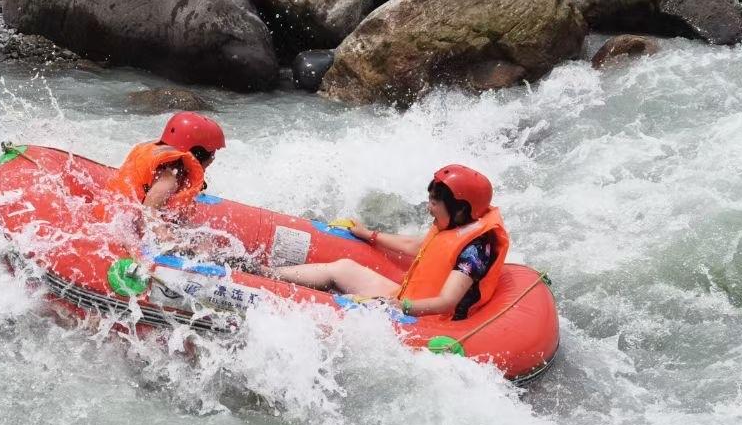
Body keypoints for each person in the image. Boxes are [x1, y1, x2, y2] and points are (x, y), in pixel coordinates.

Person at [270, 165, 509, 319]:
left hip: (425, 318)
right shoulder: (455, 223)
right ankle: (262, 272)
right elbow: (417, 247)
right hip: (406, 297)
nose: (429, 208)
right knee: (344, 267)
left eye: (434, 203)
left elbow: (447, 302)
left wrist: (398, 306)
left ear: (460, 209)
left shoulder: (474, 252)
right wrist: (370, 235)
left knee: (351, 304)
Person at [108, 112, 226, 213]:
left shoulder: (169, 161)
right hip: (125, 219)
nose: (213, 159)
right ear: (199, 153)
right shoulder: (170, 178)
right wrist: (167, 237)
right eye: (213, 153)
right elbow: (149, 212)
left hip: (119, 207)